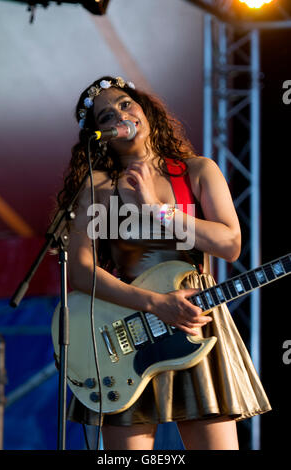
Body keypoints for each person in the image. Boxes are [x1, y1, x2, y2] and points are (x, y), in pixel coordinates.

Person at [56, 76, 271, 450]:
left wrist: (159, 212)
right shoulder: (97, 188)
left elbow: (230, 244)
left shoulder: (197, 170)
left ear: (144, 109)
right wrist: (155, 304)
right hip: (128, 329)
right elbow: (80, 272)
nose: (120, 115)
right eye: (106, 116)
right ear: (99, 134)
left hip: (196, 322)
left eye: (125, 104)